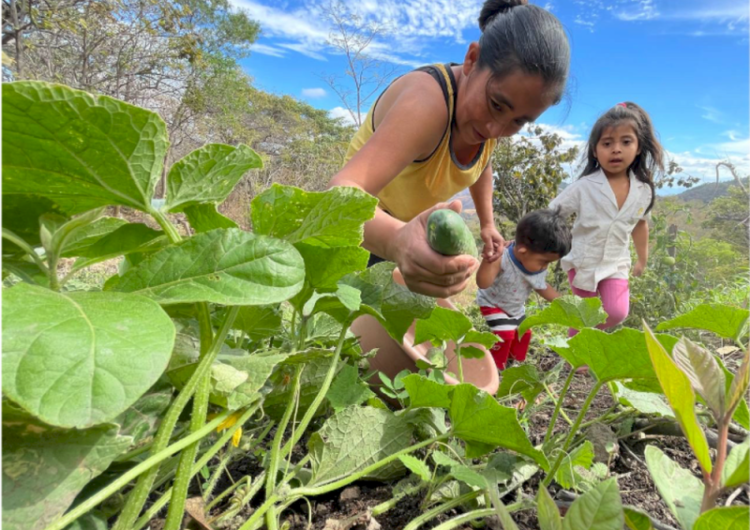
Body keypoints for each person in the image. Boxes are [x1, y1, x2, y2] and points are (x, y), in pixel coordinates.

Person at [328, 0, 570, 298]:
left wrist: (487, 223)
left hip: (406, 237)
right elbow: (338, 194)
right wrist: (397, 242)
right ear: (471, 59)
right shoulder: (427, 104)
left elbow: (482, 163)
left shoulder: (485, 120)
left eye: (518, 122)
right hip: (360, 236)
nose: (496, 130)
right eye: (496, 105)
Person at [549, 102, 663, 336]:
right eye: (607, 143)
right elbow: (552, 213)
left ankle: (580, 335)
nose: (616, 149)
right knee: (584, 313)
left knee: (617, 311)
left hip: (616, 263)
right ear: (594, 150)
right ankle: (577, 353)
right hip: (583, 261)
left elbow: (640, 224)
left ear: (639, 147)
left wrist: (642, 259)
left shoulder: (643, 190)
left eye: (626, 141)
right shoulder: (584, 187)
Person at [476, 209, 571, 369]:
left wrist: (566, 302)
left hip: (515, 308)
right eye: (543, 262)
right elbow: (483, 283)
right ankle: (494, 369)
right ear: (522, 251)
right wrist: (489, 259)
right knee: (504, 335)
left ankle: (514, 365)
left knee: (524, 333)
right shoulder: (502, 257)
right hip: (492, 303)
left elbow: (542, 287)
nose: (545, 267)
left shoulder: (534, 265)